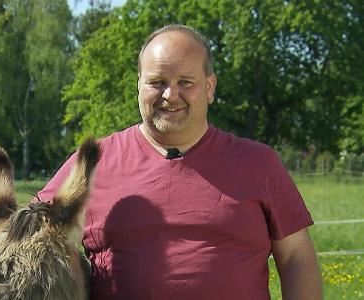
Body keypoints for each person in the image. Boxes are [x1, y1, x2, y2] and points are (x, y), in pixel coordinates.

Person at [37, 24, 322, 299]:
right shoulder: (93, 162)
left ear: (209, 87)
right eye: (157, 82)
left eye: (185, 82)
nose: (170, 95)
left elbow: (296, 256)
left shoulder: (258, 163)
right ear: (139, 86)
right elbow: (25, 235)